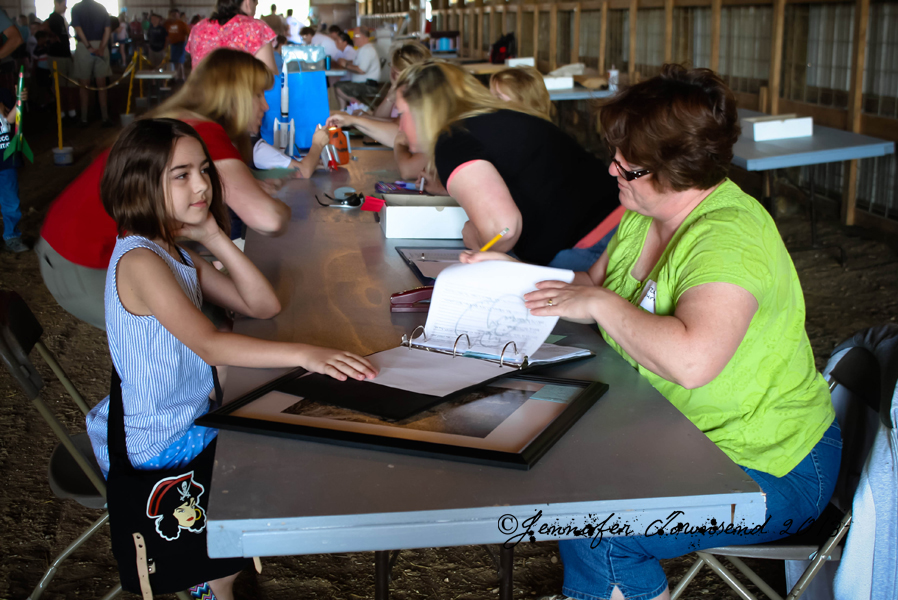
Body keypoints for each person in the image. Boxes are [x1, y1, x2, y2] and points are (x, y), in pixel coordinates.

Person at [468, 65, 841, 600]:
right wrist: (506, 276)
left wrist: (602, 304)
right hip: (681, 434)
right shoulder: (644, 212)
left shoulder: (728, 238)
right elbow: (589, 286)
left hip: (766, 465)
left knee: (601, 528)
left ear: (678, 170)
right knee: (566, 471)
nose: (613, 168)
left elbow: (692, 361)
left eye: (629, 164)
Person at [85, 118, 376, 599]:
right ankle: (214, 578)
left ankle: (224, 568)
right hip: (162, 440)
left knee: (280, 434)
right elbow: (210, 344)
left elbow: (262, 306)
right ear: (139, 184)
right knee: (283, 447)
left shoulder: (171, 251)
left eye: (203, 170)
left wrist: (214, 235)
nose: (202, 185)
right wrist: (306, 352)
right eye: (181, 175)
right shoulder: (140, 261)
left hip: (186, 416)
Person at [37, 49, 291, 329]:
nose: (264, 105)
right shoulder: (200, 132)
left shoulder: (182, 122)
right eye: (258, 94)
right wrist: (283, 206)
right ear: (235, 96)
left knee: (215, 314)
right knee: (203, 328)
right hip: (85, 257)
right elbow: (269, 220)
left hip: (81, 243)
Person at [392, 61, 620, 268]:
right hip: (621, 224)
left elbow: (504, 230)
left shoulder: (453, 139)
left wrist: (475, 238)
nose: (400, 126)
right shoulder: (491, 120)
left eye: (402, 113)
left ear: (424, 110)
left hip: (591, 243)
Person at [325, 42, 431, 153]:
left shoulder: (417, 98)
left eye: (393, 69)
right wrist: (362, 118)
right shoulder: (411, 91)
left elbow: (399, 134)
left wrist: (355, 120)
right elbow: (393, 121)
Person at [187, 0, 276, 73]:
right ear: (248, 3)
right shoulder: (256, 28)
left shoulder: (198, 28)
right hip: (241, 90)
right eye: (255, 5)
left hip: (200, 89)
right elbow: (271, 79)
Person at [71, 0, 112, 126]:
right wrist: (102, 47)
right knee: (102, 85)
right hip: (101, 46)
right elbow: (107, 30)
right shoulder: (101, 7)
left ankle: (84, 118)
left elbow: (78, 28)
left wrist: (88, 46)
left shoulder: (76, 8)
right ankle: (105, 117)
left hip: (84, 47)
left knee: (84, 85)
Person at [0, 85, 26, 252]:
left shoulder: (2, 93)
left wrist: (19, 101)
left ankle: (12, 236)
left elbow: (10, 120)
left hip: (5, 156)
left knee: (10, 199)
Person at [333, 27, 380, 109]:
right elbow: (357, 64)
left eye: (355, 35)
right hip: (362, 83)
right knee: (338, 85)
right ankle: (343, 110)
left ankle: (362, 106)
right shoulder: (362, 49)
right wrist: (346, 62)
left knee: (339, 88)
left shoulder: (367, 50)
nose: (353, 38)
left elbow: (361, 70)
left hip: (367, 85)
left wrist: (346, 65)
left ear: (363, 36)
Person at [46, 0, 76, 122]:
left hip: (65, 56)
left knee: (68, 86)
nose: (65, 7)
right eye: (64, 5)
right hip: (58, 57)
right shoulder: (53, 19)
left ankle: (69, 111)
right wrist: (52, 38)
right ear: (57, 4)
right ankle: (63, 112)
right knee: (61, 87)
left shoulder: (60, 19)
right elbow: (44, 30)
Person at [164, 7, 190, 79]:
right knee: (176, 61)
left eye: (175, 15)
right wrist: (166, 44)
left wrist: (189, 44)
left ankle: (176, 76)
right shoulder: (167, 24)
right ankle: (182, 76)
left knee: (179, 61)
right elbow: (166, 34)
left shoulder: (182, 24)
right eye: (172, 15)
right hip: (172, 45)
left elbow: (188, 33)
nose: (174, 17)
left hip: (180, 44)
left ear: (178, 15)